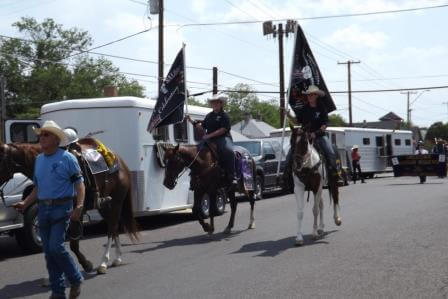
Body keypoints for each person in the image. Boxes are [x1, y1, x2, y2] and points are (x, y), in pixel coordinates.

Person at [13, 120, 84, 299]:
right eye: (40, 135)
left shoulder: (68, 158)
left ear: (55, 139)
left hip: (62, 208)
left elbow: (80, 184)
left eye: (45, 135)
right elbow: (38, 188)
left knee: (55, 247)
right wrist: (25, 203)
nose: (41, 138)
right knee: (49, 253)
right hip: (43, 209)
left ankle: (75, 278)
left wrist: (80, 206)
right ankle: (58, 292)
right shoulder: (39, 160)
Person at [283, 85, 340, 184]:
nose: (309, 97)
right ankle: (286, 175)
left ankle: (334, 175)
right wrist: (288, 114)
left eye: (312, 95)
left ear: (316, 96)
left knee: (330, 152)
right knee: (291, 152)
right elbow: (297, 122)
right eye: (308, 95)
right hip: (305, 136)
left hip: (320, 136)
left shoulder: (322, 107)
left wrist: (316, 133)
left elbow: (325, 124)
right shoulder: (304, 108)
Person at [186, 94, 237, 186]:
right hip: (210, 139)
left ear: (221, 104)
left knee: (229, 151)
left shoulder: (224, 116)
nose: (215, 104)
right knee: (197, 151)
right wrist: (191, 121)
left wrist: (209, 135)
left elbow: (224, 129)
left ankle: (232, 176)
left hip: (223, 138)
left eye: (217, 103)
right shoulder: (209, 116)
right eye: (213, 103)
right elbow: (202, 127)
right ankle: (194, 175)